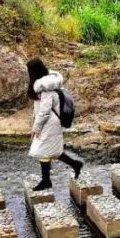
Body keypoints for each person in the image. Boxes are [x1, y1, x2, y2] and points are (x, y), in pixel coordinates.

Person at [27, 58, 82, 190]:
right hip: (48, 122)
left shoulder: (46, 88)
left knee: (42, 151)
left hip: (49, 123)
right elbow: (39, 109)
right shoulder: (45, 83)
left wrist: (36, 127)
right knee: (52, 151)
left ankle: (46, 181)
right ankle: (75, 164)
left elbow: (45, 111)